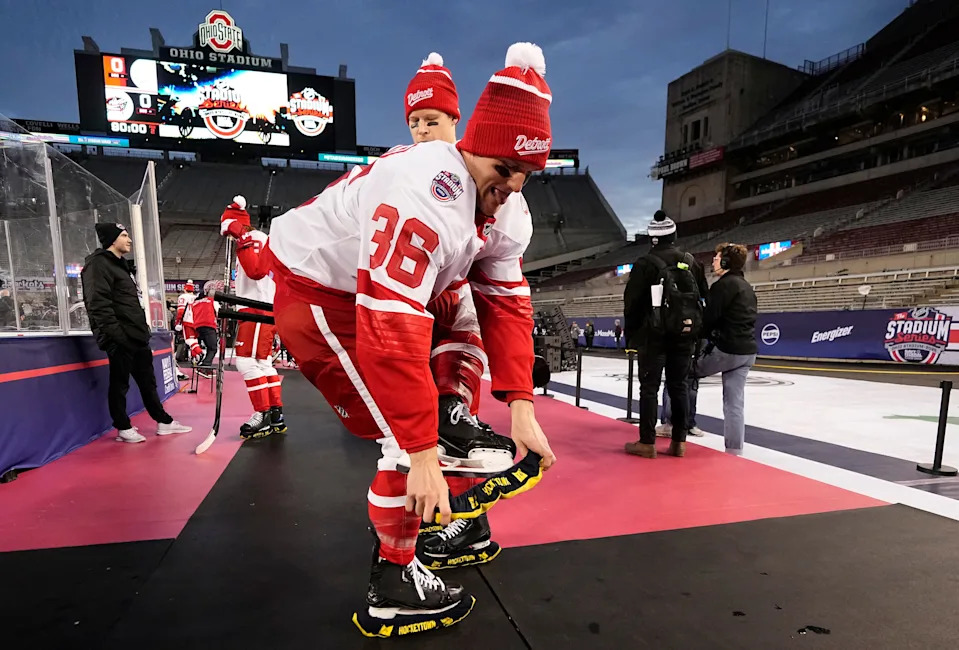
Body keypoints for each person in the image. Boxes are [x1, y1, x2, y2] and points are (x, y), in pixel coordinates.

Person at [262, 43, 557, 637]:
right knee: (401, 437)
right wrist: (421, 452)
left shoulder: (506, 206)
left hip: (387, 290)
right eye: (503, 170)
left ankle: (451, 419)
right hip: (322, 293)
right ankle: (393, 582)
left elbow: (506, 305)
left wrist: (520, 407)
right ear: (469, 145)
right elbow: (388, 326)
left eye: (526, 174)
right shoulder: (424, 191)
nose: (513, 187)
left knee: (470, 309)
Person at [401, 52, 534, 573]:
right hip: (418, 307)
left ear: (456, 122)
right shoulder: (408, 173)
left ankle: (466, 519)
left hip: (458, 310)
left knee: (452, 419)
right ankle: (450, 520)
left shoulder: (489, 188)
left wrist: (520, 396)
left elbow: (502, 290)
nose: (421, 131)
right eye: (413, 122)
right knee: (419, 425)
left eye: (431, 120)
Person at [81, 223, 192, 443]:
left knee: (148, 382)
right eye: (124, 235)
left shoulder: (121, 266)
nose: (129, 239)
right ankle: (122, 427)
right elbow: (98, 305)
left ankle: (163, 421)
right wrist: (118, 336)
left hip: (136, 336)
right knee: (120, 384)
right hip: (121, 337)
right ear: (112, 240)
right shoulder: (98, 265)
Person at [622, 210, 708, 459]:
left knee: (649, 388)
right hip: (684, 334)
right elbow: (703, 297)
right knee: (678, 385)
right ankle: (679, 442)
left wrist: (632, 339)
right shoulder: (691, 262)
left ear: (652, 237)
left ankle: (647, 443)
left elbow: (632, 305)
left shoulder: (644, 264)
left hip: (653, 336)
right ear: (675, 235)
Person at [662, 243, 757, 454]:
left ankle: (671, 424)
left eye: (717, 258)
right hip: (747, 352)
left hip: (726, 350)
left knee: (680, 374)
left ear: (725, 262)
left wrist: (689, 332)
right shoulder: (746, 286)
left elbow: (708, 320)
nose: (713, 261)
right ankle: (734, 451)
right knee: (734, 403)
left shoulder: (723, 286)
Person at [220, 195, 287, 439]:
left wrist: (241, 236)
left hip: (256, 307)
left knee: (247, 362)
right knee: (262, 363)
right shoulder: (261, 239)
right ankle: (274, 414)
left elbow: (256, 271)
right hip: (261, 306)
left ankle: (262, 414)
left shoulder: (253, 238)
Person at [182, 281, 220, 370]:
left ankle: (200, 361)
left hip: (197, 327)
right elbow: (219, 312)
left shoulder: (195, 303)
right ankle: (205, 366)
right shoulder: (211, 301)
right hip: (209, 325)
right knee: (213, 348)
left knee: (205, 346)